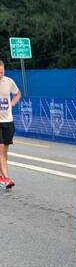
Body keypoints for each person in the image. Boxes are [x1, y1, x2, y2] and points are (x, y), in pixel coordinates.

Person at [0, 59, 22, 189]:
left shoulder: (9, 82)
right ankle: (7, 178)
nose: (1, 71)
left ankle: (1, 175)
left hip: (8, 121)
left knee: (5, 152)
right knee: (1, 150)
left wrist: (12, 104)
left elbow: (18, 93)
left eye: (2, 69)